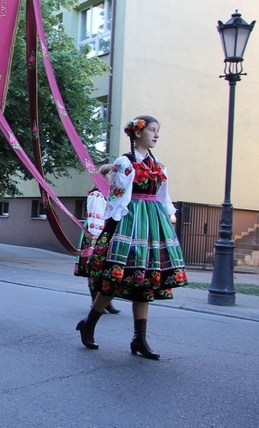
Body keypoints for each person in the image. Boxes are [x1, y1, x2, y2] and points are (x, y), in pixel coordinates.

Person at [75, 116, 187, 360]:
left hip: (152, 222)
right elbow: (117, 197)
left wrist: (168, 218)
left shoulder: (158, 164)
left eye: (158, 131)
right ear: (137, 133)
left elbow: (162, 196)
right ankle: (90, 323)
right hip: (130, 220)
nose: (156, 135)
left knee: (144, 281)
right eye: (152, 130)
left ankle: (139, 338)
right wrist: (113, 229)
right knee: (116, 278)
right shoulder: (124, 162)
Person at [74, 163, 119, 315]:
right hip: (96, 234)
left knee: (105, 269)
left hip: (107, 234)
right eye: (110, 174)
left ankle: (106, 301)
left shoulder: (111, 194)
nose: (113, 177)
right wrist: (96, 240)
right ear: (102, 176)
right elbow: (95, 218)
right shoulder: (97, 194)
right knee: (94, 269)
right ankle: (96, 301)